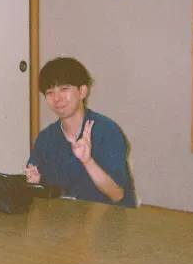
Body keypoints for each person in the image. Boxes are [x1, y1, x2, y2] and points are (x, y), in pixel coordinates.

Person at [24, 57, 135, 206]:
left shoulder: (107, 131)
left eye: (64, 89)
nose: (56, 98)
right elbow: (45, 193)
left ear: (82, 91)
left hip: (109, 216)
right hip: (64, 217)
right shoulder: (46, 138)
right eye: (49, 92)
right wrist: (35, 182)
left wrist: (88, 162)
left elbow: (117, 195)